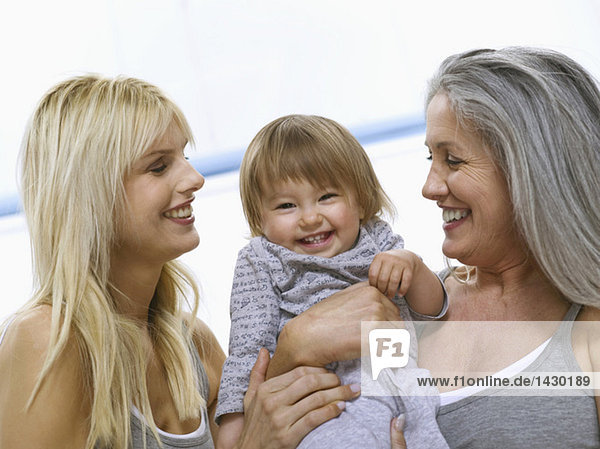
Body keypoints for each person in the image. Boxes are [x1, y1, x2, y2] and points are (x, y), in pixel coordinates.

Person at [0, 75, 360, 449]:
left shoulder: (194, 345)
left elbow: (416, 375)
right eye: (158, 167)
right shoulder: (46, 341)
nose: (195, 178)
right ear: (90, 195)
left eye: (184, 157)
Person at [269, 47, 600, 448]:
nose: (430, 187)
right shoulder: (403, 306)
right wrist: (291, 350)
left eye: (454, 160)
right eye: (431, 157)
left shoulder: (588, 331)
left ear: (531, 171)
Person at [215, 114, 449, 449]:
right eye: (286, 205)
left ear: (360, 199)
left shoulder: (378, 241)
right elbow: (249, 352)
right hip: (323, 402)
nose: (310, 218)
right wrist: (236, 430)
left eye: (327, 197)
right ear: (259, 217)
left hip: (405, 389)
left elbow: (434, 311)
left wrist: (412, 266)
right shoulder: (263, 260)